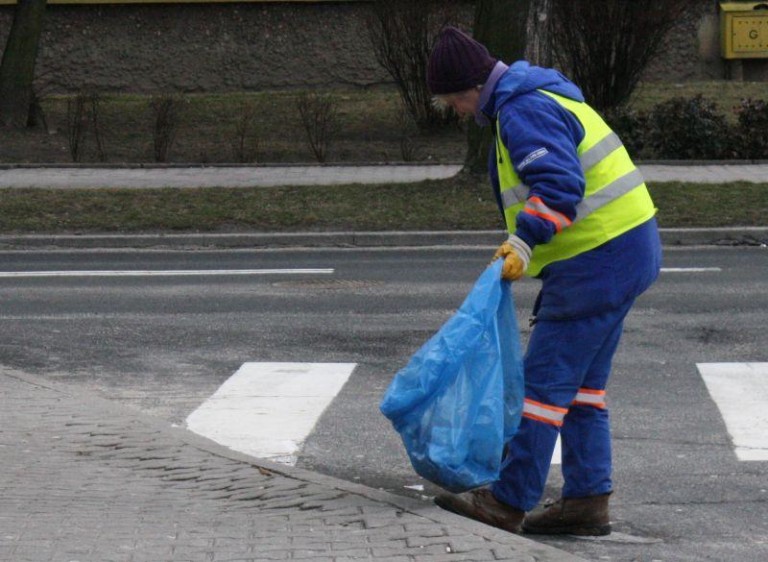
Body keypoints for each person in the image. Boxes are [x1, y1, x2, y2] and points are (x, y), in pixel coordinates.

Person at [426, 26, 662, 536]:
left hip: (598, 260)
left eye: (451, 102)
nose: (455, 112)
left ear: (468, 88)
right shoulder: (536, 94)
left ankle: (508, 502)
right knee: (583, 390)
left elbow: (559, 186)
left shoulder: (520, 110)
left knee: (542, 389)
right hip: (625, 248)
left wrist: (524, 241)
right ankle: (587, 501)